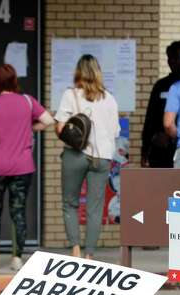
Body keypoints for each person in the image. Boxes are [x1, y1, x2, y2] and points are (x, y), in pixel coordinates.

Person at [0, 64, 55, 270]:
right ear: (14, 80)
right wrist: (30, 128)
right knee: (18, 211)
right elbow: (48, 120)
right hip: (22, 167)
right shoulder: (28, 101)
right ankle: (17, 259)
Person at [54, 54, 120, 260]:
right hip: (102, 158)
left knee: (70, 203)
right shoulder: (109, 98)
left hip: (75, 155)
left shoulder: (70, 95)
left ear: (78, 72)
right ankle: (89, 255)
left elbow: (60, 128)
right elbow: (115, 131)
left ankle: (75, 249)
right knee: (95, 208)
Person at [141, 40, 180, 168]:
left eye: (175, 57)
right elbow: (150, 118)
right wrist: (146, 147)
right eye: (169, 58)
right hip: (160, 151)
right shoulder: (161, 85)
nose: (171, 61)